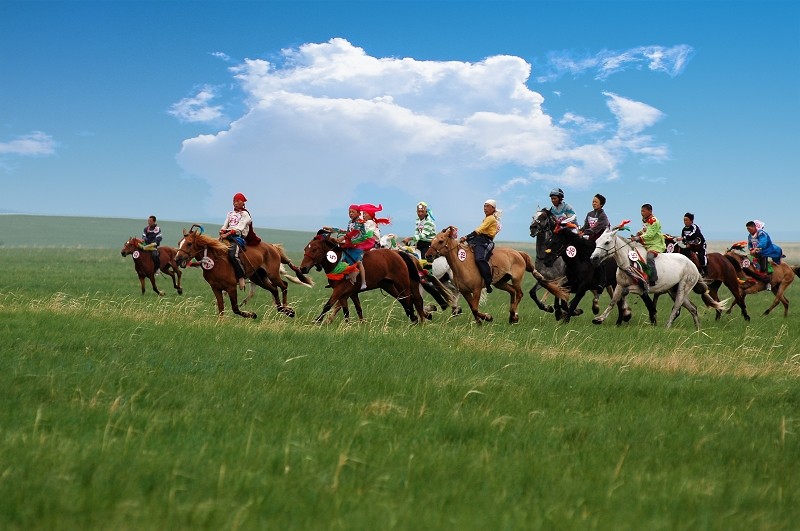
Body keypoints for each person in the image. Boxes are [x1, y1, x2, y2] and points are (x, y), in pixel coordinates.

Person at [323, 205, 370, 290]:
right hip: (351, 242)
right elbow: (347, 232)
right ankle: (341, 278)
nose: (351, 214)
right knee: (342, 258)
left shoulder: (359, 221)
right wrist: (332, 229)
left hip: (359, 243)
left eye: (353, 212)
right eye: (349, 212)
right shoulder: (350, 222)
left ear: (358, 213)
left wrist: (343, 238)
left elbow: (355, 232)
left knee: (359, 262)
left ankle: (363, 282)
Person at [460, 199, 501, 293]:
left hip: (486, 241)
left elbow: (480, 229)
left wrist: (467, 237)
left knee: (479, 259)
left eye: (487, 206)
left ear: (493, 208)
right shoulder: (486, 218)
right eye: (484, 206)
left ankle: (488, 281)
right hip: (478, 239)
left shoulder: (491, 218)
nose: (485, 208)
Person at [219, 192, 252, 290]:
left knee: (233, 255)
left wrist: (227, 233)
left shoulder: (245, 214)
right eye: (234, 201)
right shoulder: (230, 213)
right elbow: (225, 225)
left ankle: (241, 277)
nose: (235, 203)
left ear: (243, 202)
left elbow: (239, 228)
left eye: (238, 201)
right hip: (226, 235)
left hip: (237, 237)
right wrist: (221, 231)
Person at [631, 203, 665, 286]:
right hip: (646, 244)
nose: (641, 213)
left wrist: (638, 238)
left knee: (649, 257)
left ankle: (653, 279)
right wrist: (638, 233)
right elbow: (644, 230)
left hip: (655, 244)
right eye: (641, 211)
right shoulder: (646, 220)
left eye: (643, 211)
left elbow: (650, 234)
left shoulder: (653, 220)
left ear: (650, 211)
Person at [746, 220, 782, 290]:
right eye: (747, 229)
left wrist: (756, 249)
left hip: (763, 251)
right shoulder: (750, 236)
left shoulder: (761, 233)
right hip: (755, 252)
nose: (748, 231)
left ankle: (767, 282)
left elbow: (763, 242)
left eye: (749, 229)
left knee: (762, 263)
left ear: (754, 227)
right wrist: (750, 249)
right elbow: (750, 244)